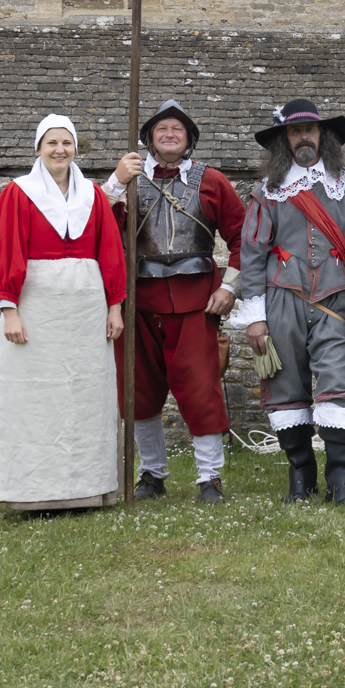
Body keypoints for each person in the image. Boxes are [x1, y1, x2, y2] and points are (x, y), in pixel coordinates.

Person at [0, 114, 127, 512]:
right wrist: (9, 310)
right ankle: (34, 493)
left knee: (85, 397)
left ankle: (88, 490)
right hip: (36, 308)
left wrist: (115, 307)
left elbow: (110, 251)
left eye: (67, 143)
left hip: (86, 310)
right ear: (38, 148)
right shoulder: (18, 193)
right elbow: (5, 249)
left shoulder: (93, 195)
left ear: (76, 148)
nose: (60, 150)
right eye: (52, 143)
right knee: (34, 399)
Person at [231, 99, 345, 507]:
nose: (303, 138)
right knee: (285, 388)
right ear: (285, 139)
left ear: (322, 136)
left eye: (309, 130)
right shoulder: (266, 193)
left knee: (337, 384)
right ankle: (301, 479)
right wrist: (255, 317)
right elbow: (251, 256)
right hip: (281, 301)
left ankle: (341, 482)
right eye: (295, 132)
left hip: (336, 301)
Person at [104, 100, 247, 504]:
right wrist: (115, 182)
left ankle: (209, 477)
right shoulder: (129, 180)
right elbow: (97, 225)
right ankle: (152, 474)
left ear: (188, 139)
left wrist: (229, 288)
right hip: (138, 302)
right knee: (140, 391)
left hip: (196, 301)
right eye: (161, 129)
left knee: (201, 390)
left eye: (177, 129)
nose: (169, 134)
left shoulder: (213, 181)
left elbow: (243, 239)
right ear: (149, 138)